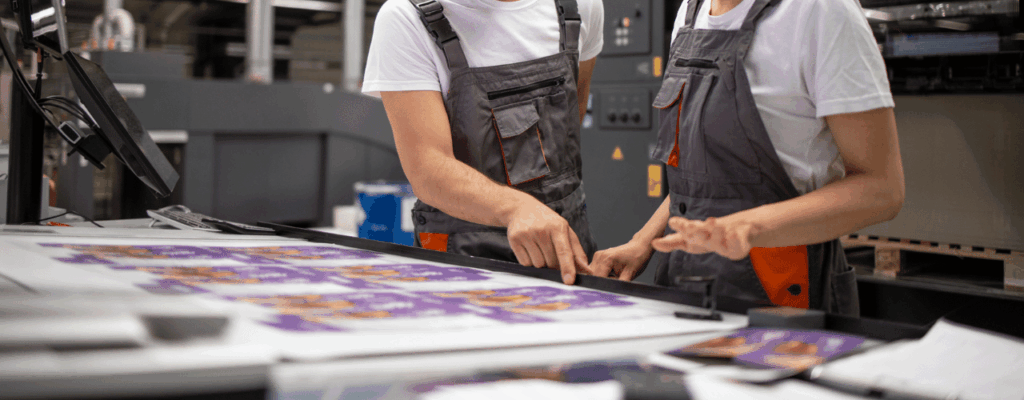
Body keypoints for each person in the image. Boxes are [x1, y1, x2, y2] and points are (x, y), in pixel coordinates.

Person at [589, 0, 904, 315]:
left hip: (782, 292)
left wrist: (752, 226)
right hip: (685, 284)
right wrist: (643, 242)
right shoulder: (691, 12)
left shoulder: (820, 11)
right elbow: (706, 182)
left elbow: (881, 190)